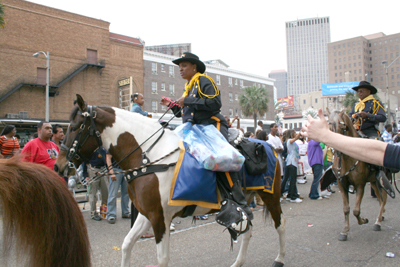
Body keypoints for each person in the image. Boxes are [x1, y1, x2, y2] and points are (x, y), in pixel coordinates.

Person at [160, 52, 253, 220]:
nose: (180, 69)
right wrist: (173, 106)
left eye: (184, 65)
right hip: (194, 128)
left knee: (221, 157)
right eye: (179, 67)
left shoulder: (204, 80)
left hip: (211, 124)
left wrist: (187, 100)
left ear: (194, 67)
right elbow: (186, 114)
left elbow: (215, 103)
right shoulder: (189, 86)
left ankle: (239, 203)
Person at [302, 109, 399, 170]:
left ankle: (378, 171)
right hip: (357, 130)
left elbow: (382, 117)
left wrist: (368, 116)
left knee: (376, 140)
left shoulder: (375, 103)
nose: (360, 92)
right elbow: (350, 118)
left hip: (369, 130)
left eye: (362, 90)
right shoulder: (356, 104)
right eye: (359, 91)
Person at [82, 146, 109, 221]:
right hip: (92, 170)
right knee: (92, 193)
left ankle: (104, 212)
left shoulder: (103, 148)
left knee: (105, 192)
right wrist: (85, 175)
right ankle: (93, 213)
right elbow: (84, 162)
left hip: (103, 170)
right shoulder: (89, 149)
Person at [106, 154, 130, 224]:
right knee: (113, 194)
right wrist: (111, 172)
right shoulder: (113, 144)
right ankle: (111, 214)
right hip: (115, 170)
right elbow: (108, 158)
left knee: (126, 193)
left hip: (125, 169)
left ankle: (125, 212)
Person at [283, 129, 302, 203]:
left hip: (293, 161)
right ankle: (292, 197)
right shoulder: (289, 140)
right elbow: (295, 138)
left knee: (292, 179)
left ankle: (290, 194)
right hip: (291, 162)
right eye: (294, 133)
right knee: (293, 180)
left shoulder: (292, 142)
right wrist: (300, 132)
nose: (296, 134)